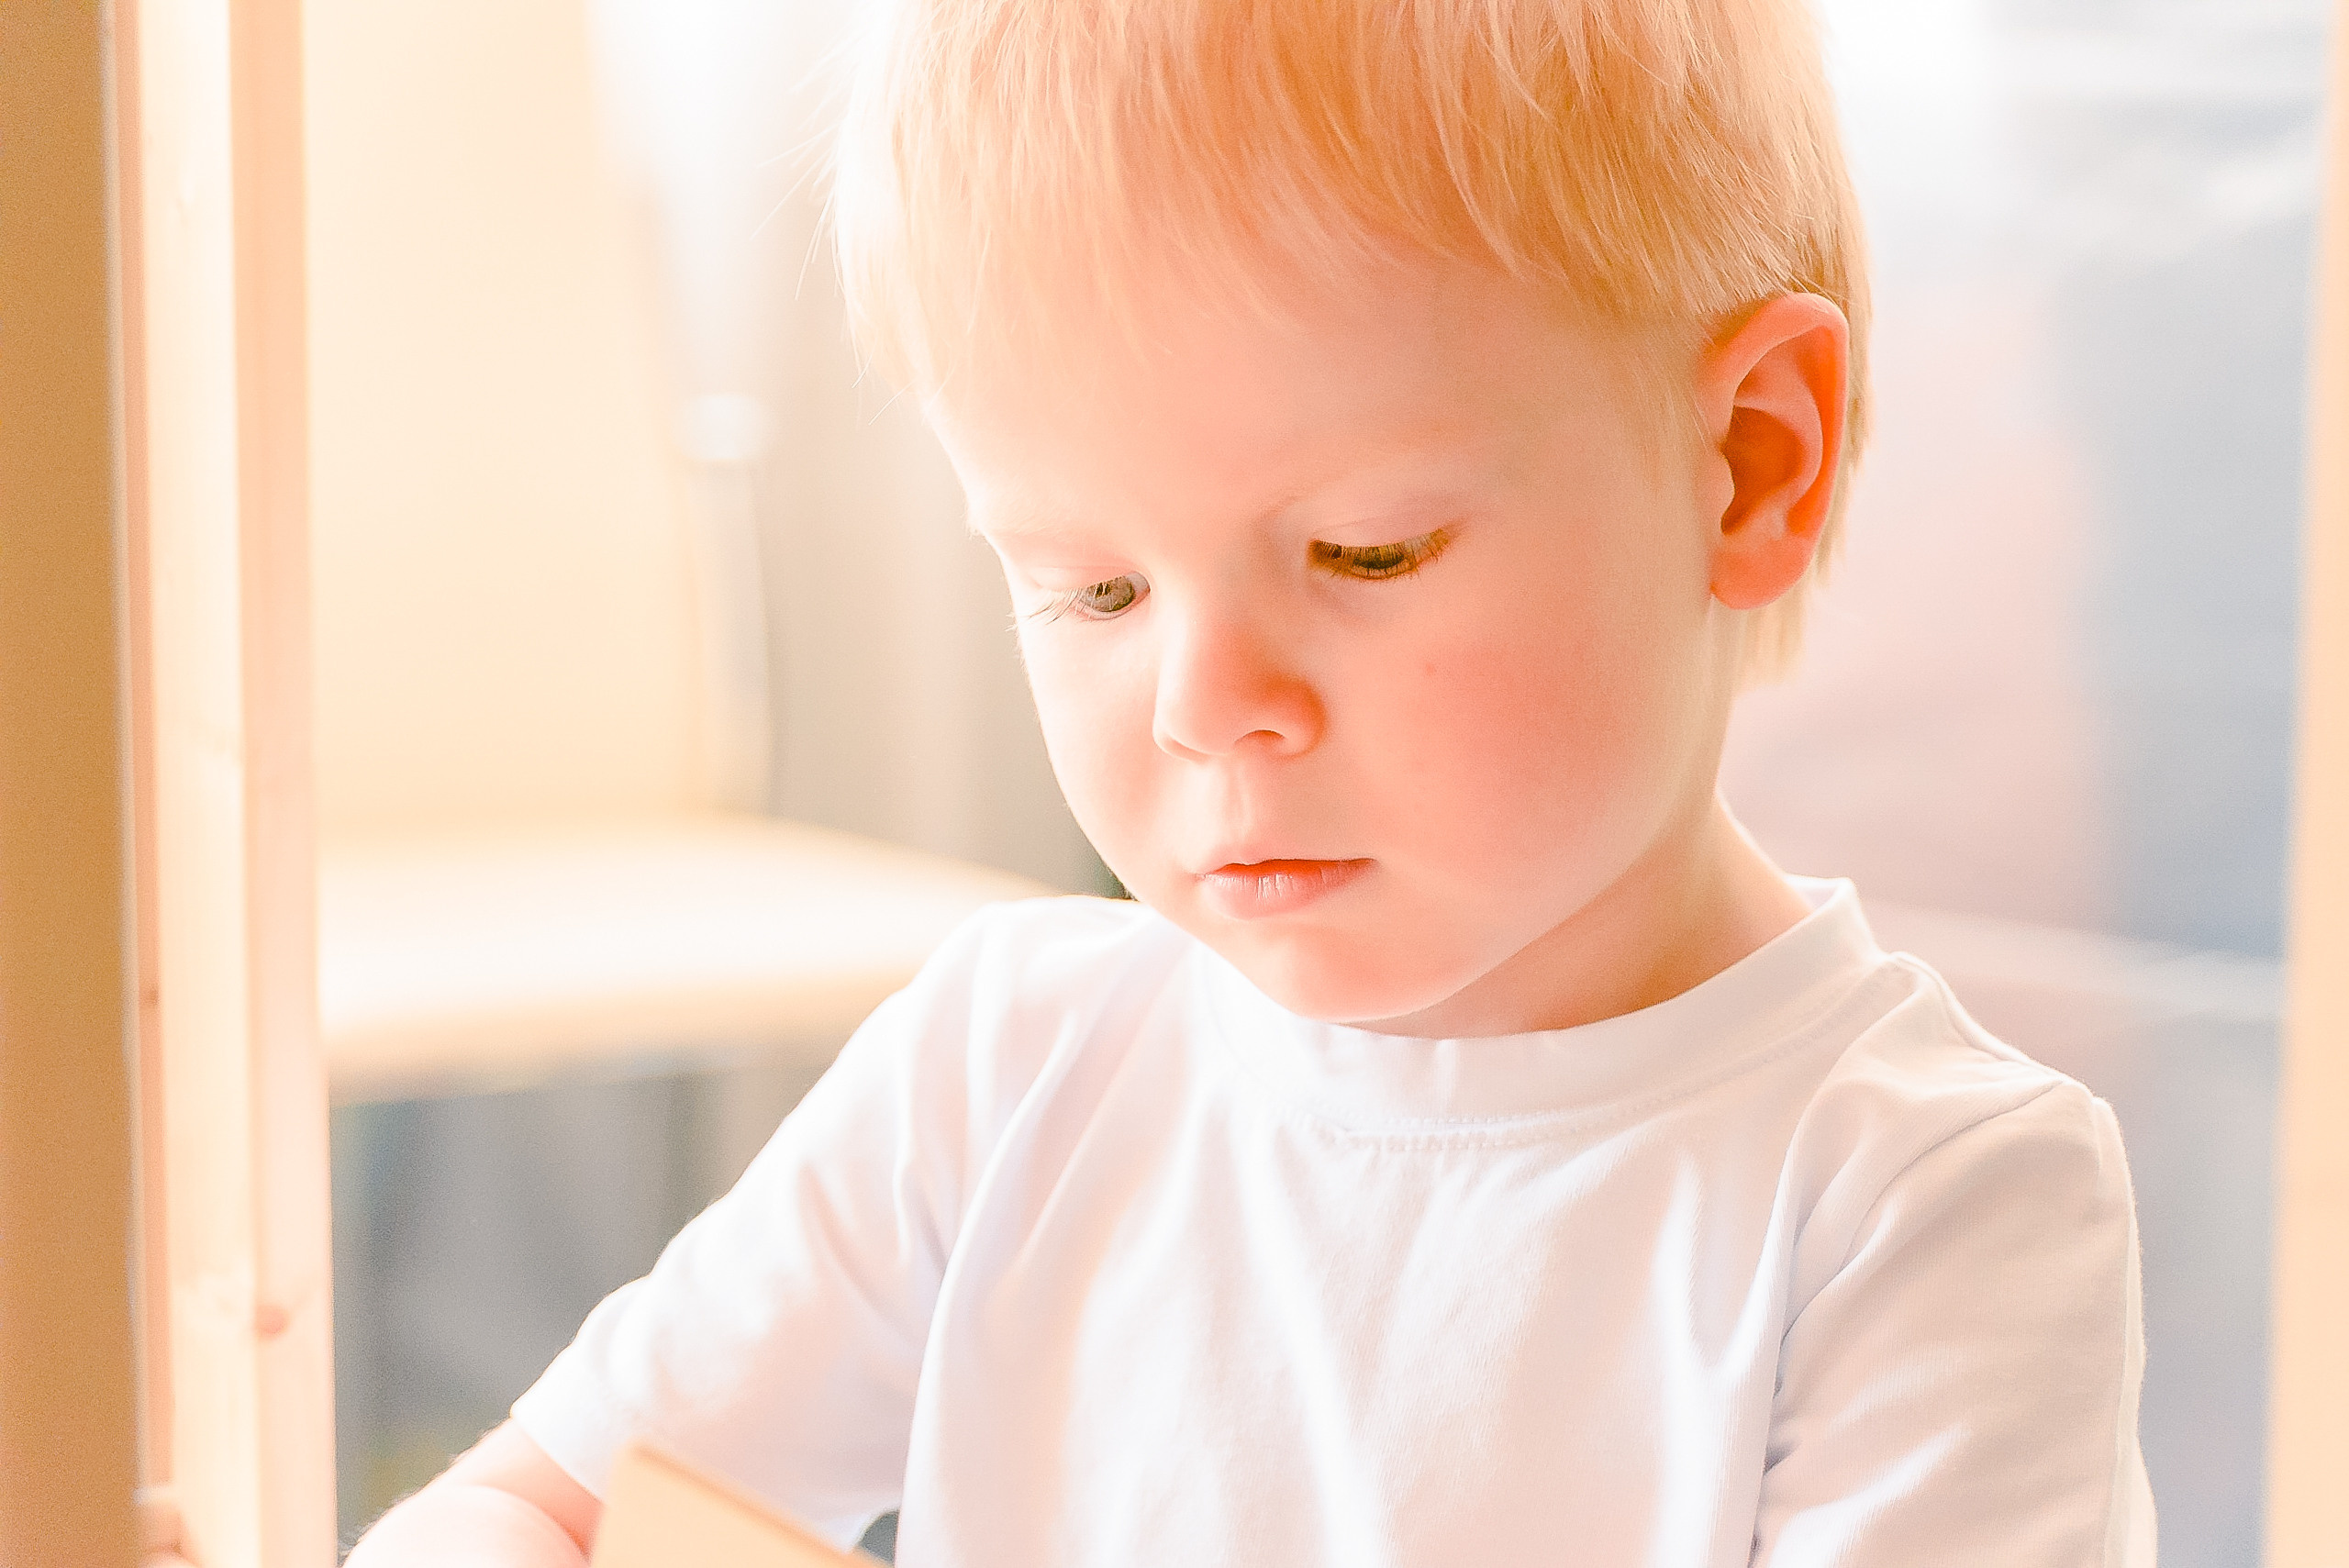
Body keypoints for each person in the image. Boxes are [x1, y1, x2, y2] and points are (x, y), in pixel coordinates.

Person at [349, 0, 2156, 1562]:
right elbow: (533, 1508)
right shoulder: (1008, 1073)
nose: (1207, 707)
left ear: (1747, 463)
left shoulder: (1917, 1207)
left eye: (1364, 554)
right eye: (1091, 588)